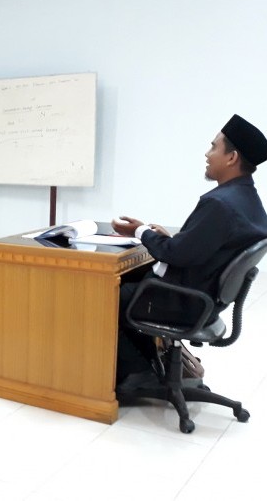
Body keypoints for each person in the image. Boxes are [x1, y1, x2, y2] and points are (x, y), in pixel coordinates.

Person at [112, 114, 267, 387]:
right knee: (125, 283)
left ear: (231, 158)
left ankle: (137, 373)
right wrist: (172, 240)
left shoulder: (220, 204)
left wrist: (140, 232)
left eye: (213, 147)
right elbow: (201, 248)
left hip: (181, 301)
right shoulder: (249, 201)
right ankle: (151, 364)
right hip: (206, 300)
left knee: (102, 295)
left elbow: (175, 255)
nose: (207, 154)